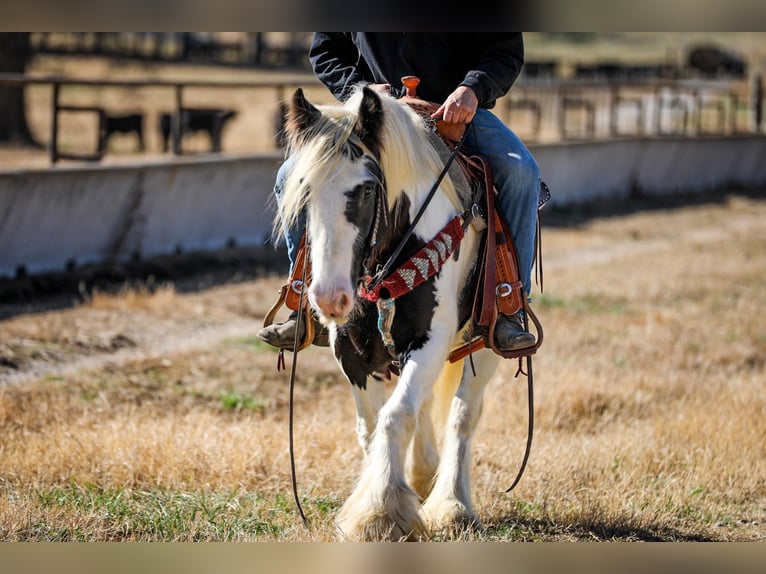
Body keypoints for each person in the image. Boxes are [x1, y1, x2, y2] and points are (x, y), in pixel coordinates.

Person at [257, 32, 540, 352]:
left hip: (454, 113)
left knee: (521, 173)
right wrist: (358, 86)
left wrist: (472, 88)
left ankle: (510, 304)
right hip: (371, 117)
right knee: (288, 177)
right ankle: (304, 304)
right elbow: (326, 50)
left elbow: (504, 50)